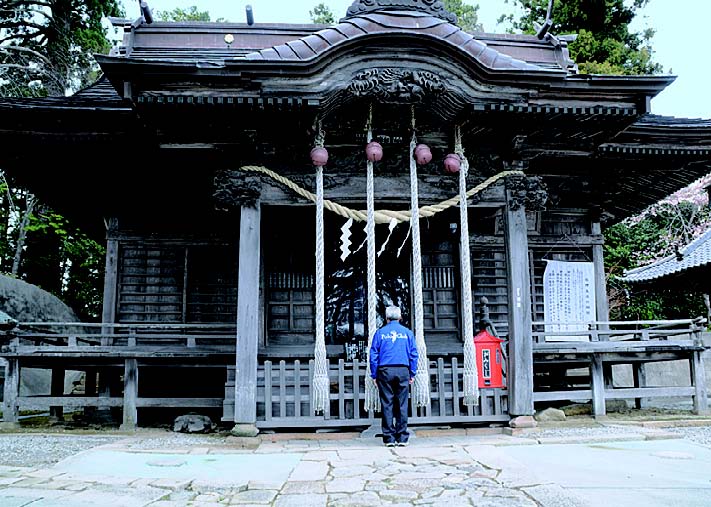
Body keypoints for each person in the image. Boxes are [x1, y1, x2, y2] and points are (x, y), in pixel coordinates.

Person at [369, 305, 418, 447]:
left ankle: (389, 438)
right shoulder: (407, 333)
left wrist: (374, 374)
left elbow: (373, 355)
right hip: (403, 370)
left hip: (385, 371)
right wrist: (412, 372)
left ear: (387, 318)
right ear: (400, 317)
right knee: (402, 404)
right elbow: (414, 354)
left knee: (387, 403)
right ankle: (402, 437)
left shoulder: (380, 333)